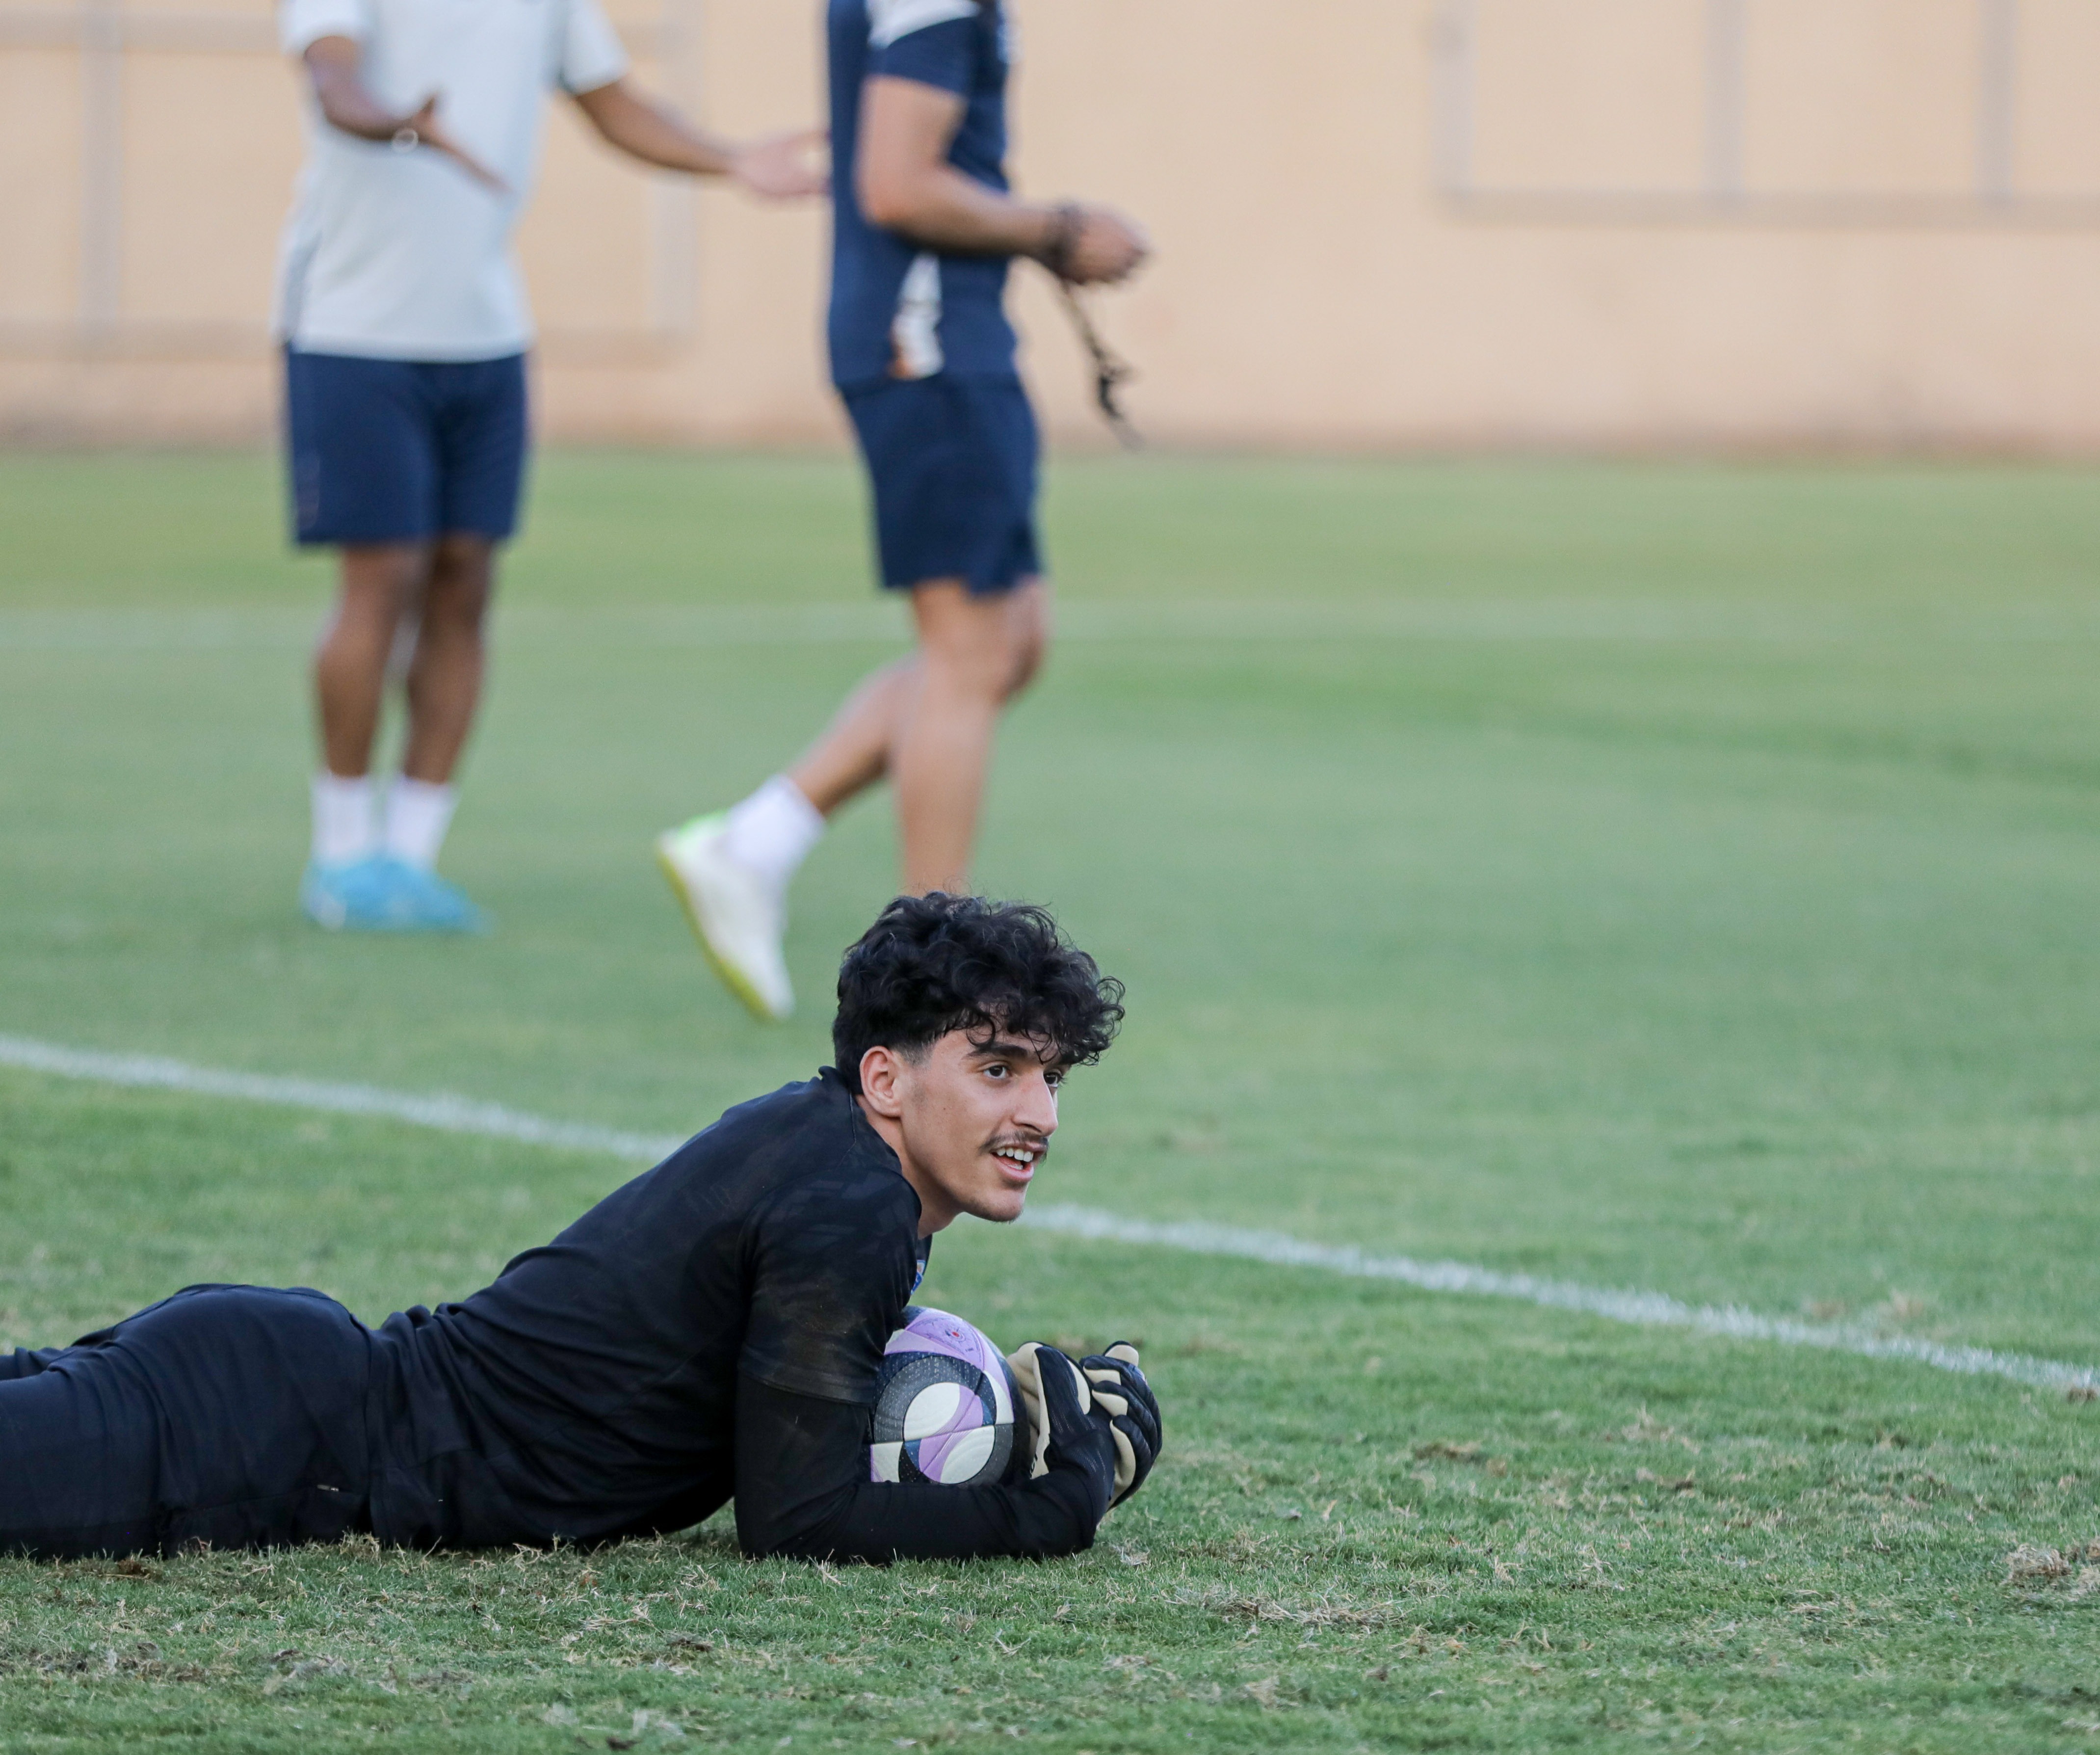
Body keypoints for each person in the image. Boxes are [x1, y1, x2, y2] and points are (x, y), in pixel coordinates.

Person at [0, 895, 1160, 1562]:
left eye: (1051, 1077)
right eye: (999, 1067)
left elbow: (804, 1424)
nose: (1037, 1113)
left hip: (281, 1387)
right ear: (886, 1079)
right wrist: (1056, 1497)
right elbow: (801, 1522)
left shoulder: (826, 1154)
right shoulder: (846, 1198)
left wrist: (1009, 1423)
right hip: (268, 1439)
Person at [282, 0, 824, 932]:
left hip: (488, 334)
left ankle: (410, 859)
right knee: (383, 577)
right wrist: (401, 117)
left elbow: (614, 105)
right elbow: (332, 78)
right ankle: (340, 857)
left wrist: (732, 160)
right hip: (354, 328)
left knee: (464, 584)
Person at [655, 0, 1150, 1019]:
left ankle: (755, 842)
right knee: (969, 655)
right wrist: (1057, 230)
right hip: (925, 345)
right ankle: (936, 982)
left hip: (949, 337)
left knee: (1010, 642)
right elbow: (896, 182)